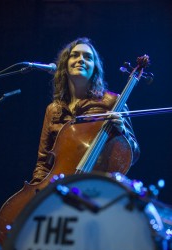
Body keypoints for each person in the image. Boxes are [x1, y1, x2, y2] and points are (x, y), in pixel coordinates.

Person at [30, 37, 140, 184]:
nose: (81, 60)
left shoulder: (113, 102)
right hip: (59, 187)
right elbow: (43, 163)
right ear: (65, 65)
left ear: (94, 67)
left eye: (88, 57)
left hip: (96, 185)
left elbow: (134, 153)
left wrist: (122, 131)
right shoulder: (53, 109)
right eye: (75, 55)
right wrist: (37, 193)